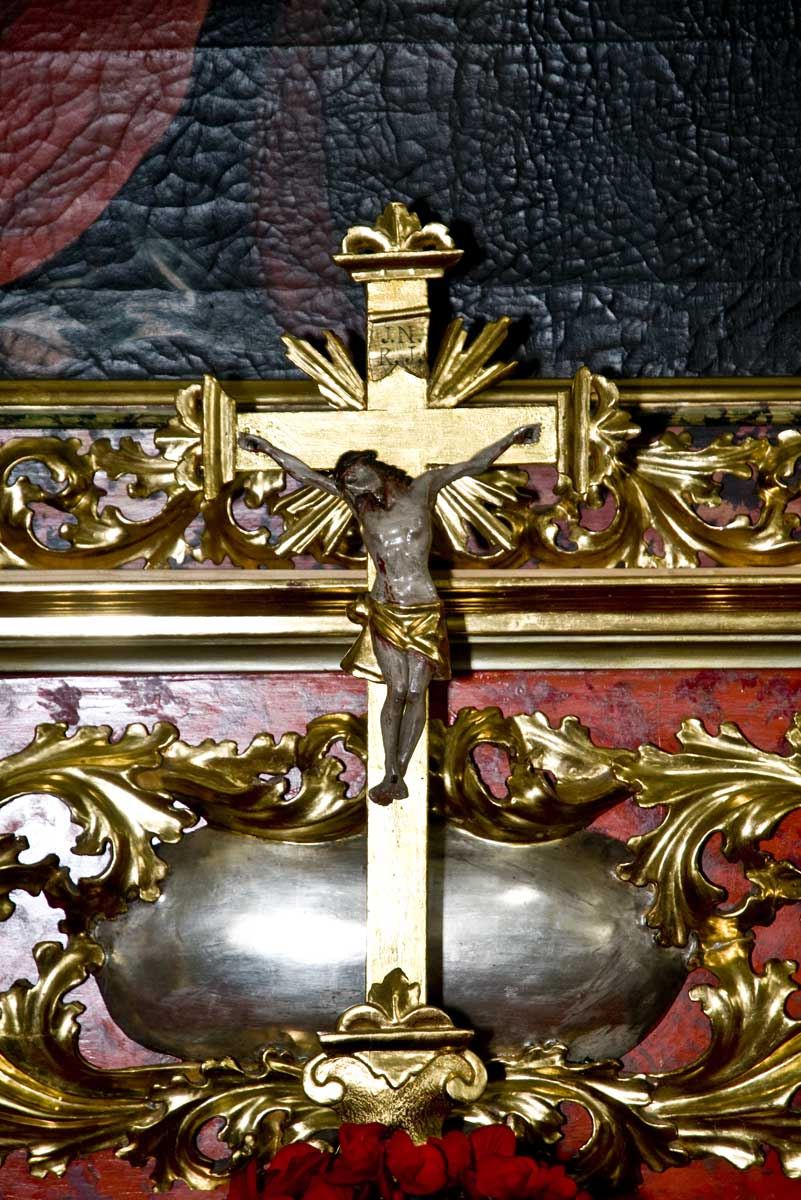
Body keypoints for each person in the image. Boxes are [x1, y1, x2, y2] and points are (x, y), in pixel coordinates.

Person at [239, 425, 540, 804]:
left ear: (372, 466)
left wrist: (512, 439)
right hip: (386, 607)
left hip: (423, 607)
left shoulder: (423, 489)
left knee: (416, 691)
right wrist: (267, 448)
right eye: (346, 482)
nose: (351, 484)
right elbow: (307, 476)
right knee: (396, 690)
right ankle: (390, 773)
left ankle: (400, 769)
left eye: (354, 475)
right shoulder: (360, 505)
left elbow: (472, 465)